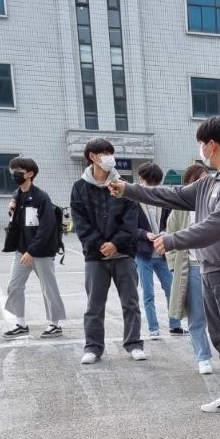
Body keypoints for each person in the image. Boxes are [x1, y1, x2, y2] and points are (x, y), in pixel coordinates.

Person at [110, 116, 220, 418]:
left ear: (211, 145)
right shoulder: (210, 181)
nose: (200, 149)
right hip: (208, 269)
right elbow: (172, 194)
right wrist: (129, 189)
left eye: (201, 143)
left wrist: (173, 239)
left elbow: (218, 224)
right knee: (219, 336)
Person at [70, 138, 145, 364]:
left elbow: (131, 220)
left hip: (123, 254)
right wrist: (99, 244)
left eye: (111, 153)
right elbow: (80, 222)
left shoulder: (123, 185)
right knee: (94, 305)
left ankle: (134, 344)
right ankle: (93, 347)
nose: (109, 157)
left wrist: (116, 243)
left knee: (130, 302)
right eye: (104, 153)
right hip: (95, 256)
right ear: (92, 156)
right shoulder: (79, 188)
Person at [2, 156, 66, 339]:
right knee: (14, 286)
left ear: (30, 174)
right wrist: (11, 209)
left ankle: (55, 324)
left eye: (17, 171)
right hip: (21, 251)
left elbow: (47, 229)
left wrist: (32, 251)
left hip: (41, 252)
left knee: (48, 288)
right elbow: (16, 223)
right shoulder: (17, 195)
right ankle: (20, 323)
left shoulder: (41, 197)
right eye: (12, 171)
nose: (13, 174)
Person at [164, 163, 213, 374]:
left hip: (214, 266)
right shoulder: (180, 209)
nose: (202, 184)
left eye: (206, 179)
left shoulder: (216, 203)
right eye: (197, 181)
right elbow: (170, 234)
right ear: (189, 184)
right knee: (196, 315)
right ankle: (203, 356)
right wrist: (173, 266)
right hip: (192, 266)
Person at [134, 162, 183, 339]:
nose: (151, 186)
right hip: (144, 254)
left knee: (171, 289)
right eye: (149, 182)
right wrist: (145, 234)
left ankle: (175, 325)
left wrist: (165, 232)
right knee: (148, 294)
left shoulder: (162, 198)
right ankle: (153, 328)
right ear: (141, 179)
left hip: (162, 252)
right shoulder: (133, 200)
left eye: (155, 183)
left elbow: (170, 223)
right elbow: (129, 227)